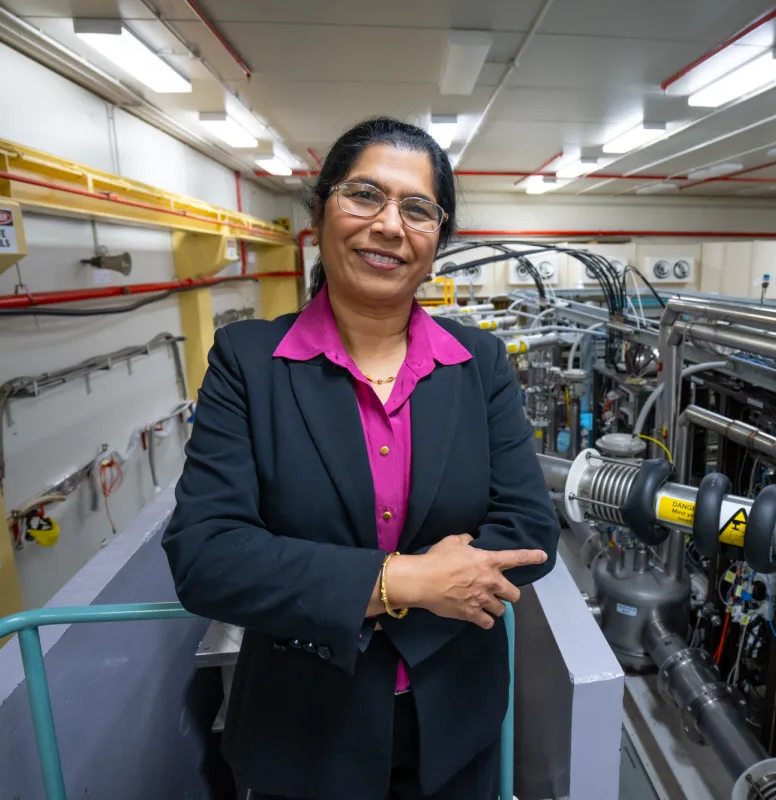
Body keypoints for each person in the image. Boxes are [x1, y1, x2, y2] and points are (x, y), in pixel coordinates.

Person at [162, 117, 561, 800]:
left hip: (453, 722)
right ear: (320, 213)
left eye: (418, 209)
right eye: (365, 195)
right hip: (304, 731)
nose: (389, 226)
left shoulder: (479, 363)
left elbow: (529, 529)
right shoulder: (249, 363)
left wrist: (355, 592)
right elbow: (207, 556)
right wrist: (404, 582)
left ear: (437, 240)